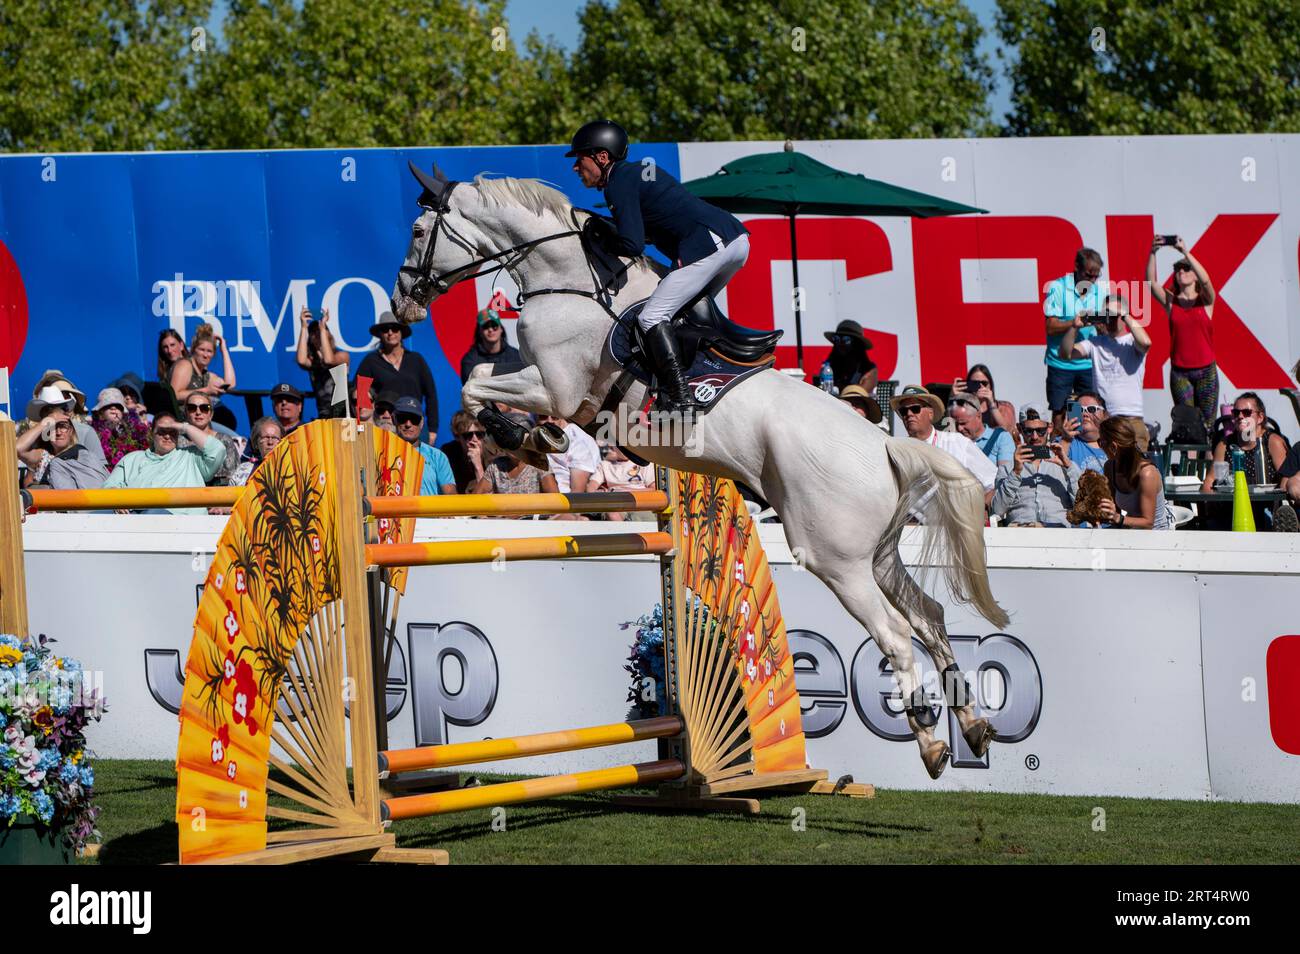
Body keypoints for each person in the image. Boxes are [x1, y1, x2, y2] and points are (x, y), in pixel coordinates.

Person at [568, 119, 749, 412]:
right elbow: (641, 232)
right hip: (731, 239)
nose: (576, 167)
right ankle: (705, 377)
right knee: (684, 314)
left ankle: (679, 397)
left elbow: (631, 245)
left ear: (602, 157)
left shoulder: (618, 181)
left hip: (710, 243)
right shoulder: (631, 174)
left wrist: (601, 238)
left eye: (580, 158)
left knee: (651, 317)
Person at [1057, 293, 1151, 450]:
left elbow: (1146, 342)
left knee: (1135, 470)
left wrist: (1124, 315)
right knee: (1106, 469)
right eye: (1107, 314)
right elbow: (1065, 354)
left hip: (1131, 419)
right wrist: (1075, 326)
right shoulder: (1096, 343)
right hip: (1103, 420)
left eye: (1114, 315)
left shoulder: (1132, 341)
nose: (1110, 319)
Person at [1148, 236, 1219, 433]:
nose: (1181, 272)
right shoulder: (1172, 302)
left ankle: (1209, 464)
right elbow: (1151, 283)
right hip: (1180, 372)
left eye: (1186, 269)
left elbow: (1206, 280)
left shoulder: (1205, 300)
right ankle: (1190, 463)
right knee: (1187, 426)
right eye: (1178, 270)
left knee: (1208, 426)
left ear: (1194, 274)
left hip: (1206, 371)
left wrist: (1185, 252)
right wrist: (1153, 252)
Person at [102, 412, 227, 513]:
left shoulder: (191, 457)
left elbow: (218, 450)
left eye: (172, 432)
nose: (167, 436)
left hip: (177, 520)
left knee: (155, 514)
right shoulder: (132, 459)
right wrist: (117, 499)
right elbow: (108, 487)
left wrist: (183, 426)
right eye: (162, 432)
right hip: (132, 516)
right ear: (152, 434)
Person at [890, 385, 995, 503]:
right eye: (904, 411)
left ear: (930, 413)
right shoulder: (898, 453)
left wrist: (981, 512)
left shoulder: (957, 443)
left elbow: (993, 483)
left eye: (915, 409)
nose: (909, 414)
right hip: (912, 521)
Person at [1043, 248, 1105, 433]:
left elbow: (1103, 329)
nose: (1093, 280)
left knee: (1091, 414)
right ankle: (1057, 454)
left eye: (1096, 276)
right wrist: (1075, 322)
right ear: (1076, 267)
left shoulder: (1098, 292)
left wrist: (1102, 325)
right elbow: (1050, 326)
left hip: (1087, 363)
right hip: (1060, 363)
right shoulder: (1058, 287)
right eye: (1089, 275)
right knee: (1060, 413)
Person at [991, 406, 1080, 527]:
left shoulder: (1065, 464)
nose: (1034, 437)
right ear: (1019, 429)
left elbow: (1082, 506)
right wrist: (1016, 472)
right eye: (1028, 431)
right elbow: (997, 510)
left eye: (1040, 431)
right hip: (1021, 535)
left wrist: (1068, 467)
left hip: (1058, 535)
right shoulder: (1008, 468)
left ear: (1050, 428)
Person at [354, 317, 439, 436]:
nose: (390, 332)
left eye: (394, 328)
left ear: (401, 332)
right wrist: (366, 422)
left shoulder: (416, 359)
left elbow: (431, 395)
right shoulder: (371, 361)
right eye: (385, 329)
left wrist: (432, 429)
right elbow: (360, 393)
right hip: (384, 426)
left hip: (412, 425)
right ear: (380, 334)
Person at [1199, 392, 1288, 493]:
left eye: (1246, 412)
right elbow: (1210, 481)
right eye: (1236, 413)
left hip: (1266, 505)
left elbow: (1286, 479)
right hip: (1231, 504)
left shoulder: (1273, 442)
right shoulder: (1224, 444)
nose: (1240, 416)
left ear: (1260, 418)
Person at [1098, 416, 1170, 530]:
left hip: (1157, 536)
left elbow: (1148, 523)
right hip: (1130, 531)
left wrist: (1118, 518)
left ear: (1113, 447)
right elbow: (1113, 512)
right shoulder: (1110, 467)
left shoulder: (1147, 473)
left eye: (1100, 442)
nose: (1100, 447)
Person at [14, 408, 108, 490]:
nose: (58, 432)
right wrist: (45, 422)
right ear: (47, 433)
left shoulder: (82, 455)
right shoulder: (43, 457)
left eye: (63, 427)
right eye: (53, 428)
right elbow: (18, 448)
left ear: (71, 431)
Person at [471, 414, 560, 498]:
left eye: (519, 441)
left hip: (533, 514)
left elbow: (554, 499)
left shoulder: (538, 463)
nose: (514, 447)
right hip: (502, 514)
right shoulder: (496, 466)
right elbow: (475, 498)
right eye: (508, 441)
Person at [392, 396, 458, 496]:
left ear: (422, 423)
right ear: (394, 420)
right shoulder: (384, 452)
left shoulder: (437, 456)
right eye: (403, 418)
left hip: (429, 511)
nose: (408, 424)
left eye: (414, 419)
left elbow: (451, 495)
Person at [178, 392, 244, 486]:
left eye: (204, 408)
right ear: (186, 413)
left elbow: (234, 477)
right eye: (192, 408)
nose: (198, 412)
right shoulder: (178, 440)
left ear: (211, 415)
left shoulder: (225, 440)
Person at [295, 306, 350, 418]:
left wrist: (322, 328)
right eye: (313, 333)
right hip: (323, 415)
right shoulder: (314, 362)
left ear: (328, 334)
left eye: (320, 331)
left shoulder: (342, 356)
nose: (317, 335)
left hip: (341, 414)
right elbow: (301, 360)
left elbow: (329, 360)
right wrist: (304, 327)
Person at [539, 412, 602, 506]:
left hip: (564, 502)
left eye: (554, 417)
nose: (549, 421)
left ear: (562, 416)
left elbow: (577, 493)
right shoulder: (538, 434)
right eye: (543, 416)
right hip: (537, 498)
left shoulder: (578, 439)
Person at [170, 323, 235, 406]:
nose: (205, 355)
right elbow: (174, 395)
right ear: (194, 350)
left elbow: (230, 385)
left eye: (209, 351)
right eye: (202, 350)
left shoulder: (205, 375)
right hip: (183, 417)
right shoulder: (185, 365)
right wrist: (206, 391)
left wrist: (224, 350)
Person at [589, 443, 657, 521]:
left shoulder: (644, 463)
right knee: (612, 514)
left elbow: (654, 489)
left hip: (639, 503)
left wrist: (625, 492)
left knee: (647, 521)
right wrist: (598, 492)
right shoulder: (605, 465)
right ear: (613, 446)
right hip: (615, 504)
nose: (625, 448)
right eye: (621, 445)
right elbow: (591, 487)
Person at [948, 391, 1012, 469]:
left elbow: (1006, 477)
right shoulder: (954, 441)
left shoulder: (1001, 438)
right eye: (956, 424)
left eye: (963, 423)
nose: (959, 428)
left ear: (978, 416)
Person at [90, 387, 150, 468]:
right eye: (108, 406)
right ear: (100, 414)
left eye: (118, 406)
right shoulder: (93, 432)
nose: (113, 408)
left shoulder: (131, 431)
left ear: (122, 413)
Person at [460, 309, 522, 383]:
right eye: (486, 326)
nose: (490, 330)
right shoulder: (470, 361)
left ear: (501, 329)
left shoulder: (516, 356)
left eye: (494, 326)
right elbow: (472, 389)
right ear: (479, 331)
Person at [818, 320, 878, 395]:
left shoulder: (869, 369)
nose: (840, 344)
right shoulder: (829, 367)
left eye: (846, 339)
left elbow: (859, 393)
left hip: (856, 404)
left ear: (857, 343)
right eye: (837, 339)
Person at [953, 363, 1016, 433]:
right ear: (968, 385)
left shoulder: (1004, 407)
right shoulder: (963, 409)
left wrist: (991, 403)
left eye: (984, 383)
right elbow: (950, 430)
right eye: (975, 383)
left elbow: (1006, 430)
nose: (981, 387)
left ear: (990, 385)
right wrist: (955, 400)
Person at [1062, 391, 1109, 475]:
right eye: (1080, 410)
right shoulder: (1064, 441)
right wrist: (1066, 440)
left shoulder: (1115, 442)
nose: (1085, 414)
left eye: (1091, 409)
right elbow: (1051, 467)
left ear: (1105, 415)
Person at [441, 411, 488, 492]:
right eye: (468, 435)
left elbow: (487, 495)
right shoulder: (448, 452)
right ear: (457, 437)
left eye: (479, 434)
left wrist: (478, 466)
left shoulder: (493, 455)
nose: (475, 439)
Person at [230, 417, 283, 487]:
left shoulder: (291, 469)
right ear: (256, 444)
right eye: (266, 437)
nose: (270, 442)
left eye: (274, 438)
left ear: (282, 442)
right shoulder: (243, 470)